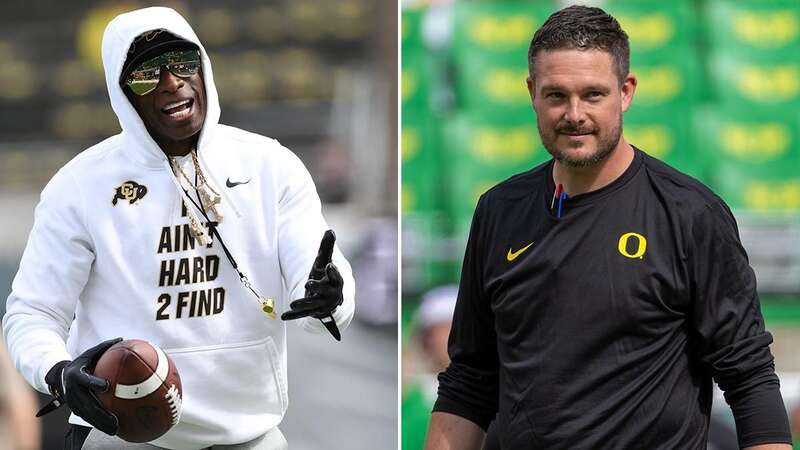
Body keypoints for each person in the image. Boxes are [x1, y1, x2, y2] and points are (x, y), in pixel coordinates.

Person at [424, 5, 791, 450]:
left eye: (593, 94)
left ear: (626, 91)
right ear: (531, 92)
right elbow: (470, 379)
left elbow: (748, 376)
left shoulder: (690, 213)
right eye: (556, 95)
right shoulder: (499, 210)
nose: (574, 114)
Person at [2, 6, 355, 450]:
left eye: (183, 62)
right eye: (147, 73)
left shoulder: (271, 165)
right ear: (122, 93)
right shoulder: (80, 185)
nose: (171, 81)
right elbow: (32, 314)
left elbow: (319, 289)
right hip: (122, 434)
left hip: (248, 432)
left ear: (204, 67)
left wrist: (330, 299)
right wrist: (57, 371)